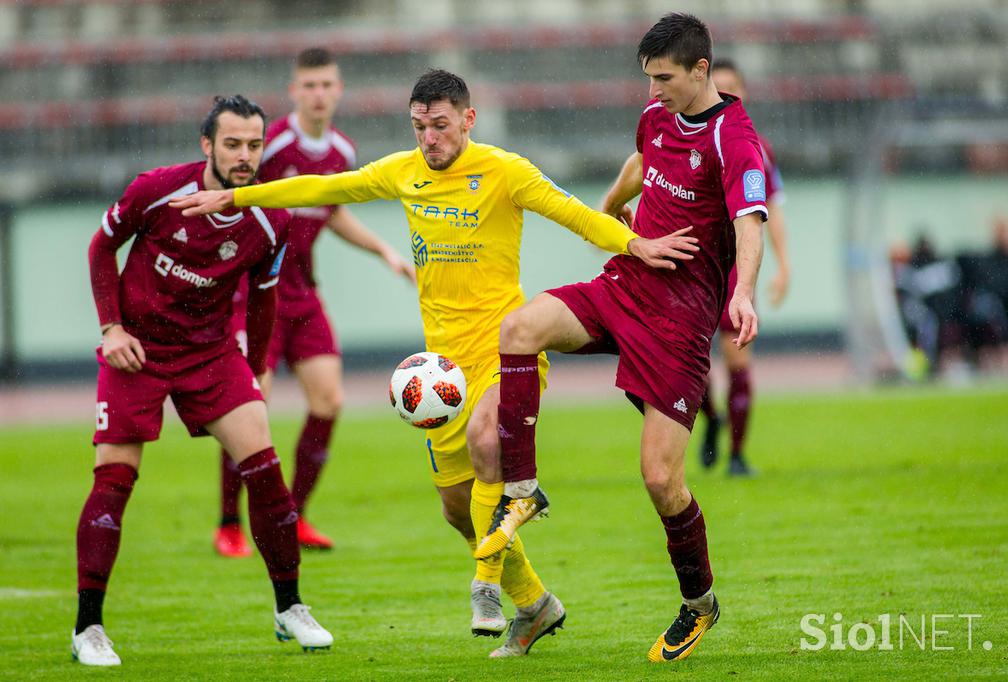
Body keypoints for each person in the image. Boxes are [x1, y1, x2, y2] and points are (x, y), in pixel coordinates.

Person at [171, 69, 698, 658]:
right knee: (457, 509)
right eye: (419, 126)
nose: (429, 139)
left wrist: (636, 244)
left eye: (440, 126)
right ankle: (537, 606)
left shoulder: (505, 171)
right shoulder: (404, 172)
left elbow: (573, 212)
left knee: (486, 440)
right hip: (440, 374)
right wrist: (236, 196)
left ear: (468, 120)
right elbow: (324, 188)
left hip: (507, 353)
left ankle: (486, 586)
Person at [473, 13, 767, 663]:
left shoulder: (736, 140)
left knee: (661, 479)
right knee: (520, 327)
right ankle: (521, 489)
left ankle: (699, 604)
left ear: (701, 70)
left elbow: (751, 220)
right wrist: (608, 211)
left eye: (665, 78)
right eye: (648, 79)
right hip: (623, 287)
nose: (655, 91)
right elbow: (641, 161)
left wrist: (742, 291)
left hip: (681, 325)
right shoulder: (657, 114)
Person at [75, 95, 332, 666]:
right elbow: (102, 246)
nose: (245, 156)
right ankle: (87, 627)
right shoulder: (158, 189)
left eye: (255, 145)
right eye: (233, 144)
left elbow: (263, 299)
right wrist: (111, 327)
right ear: (207, 145)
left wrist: (259, 367)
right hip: (136, 351)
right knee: (114, 480)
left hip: (210, 354)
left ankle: (290, 609)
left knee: (266, 473)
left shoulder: (271, 217)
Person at [214, 48, 415, 558]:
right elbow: (235, 199)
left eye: (327, 84)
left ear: (339, 89)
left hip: (303, 293)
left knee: (329, 401)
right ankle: (230, 524)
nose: (319, 94)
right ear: (294, 91)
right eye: (310, 85)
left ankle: (294, 515)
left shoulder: (342, 153)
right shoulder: (271, 144)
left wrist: (384, 251)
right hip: (255, 295)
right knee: (247, 408)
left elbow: (332, 214)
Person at [697, 57, 791, 476]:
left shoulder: (755, 147)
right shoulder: (689, 141)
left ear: (743, 92)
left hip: (736, 273)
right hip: (694, 272)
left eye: (731, 86)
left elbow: (768, 207)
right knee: (691, 368)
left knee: (738, 365)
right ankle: (711, 419)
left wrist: (784, 265)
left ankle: (736, 455)